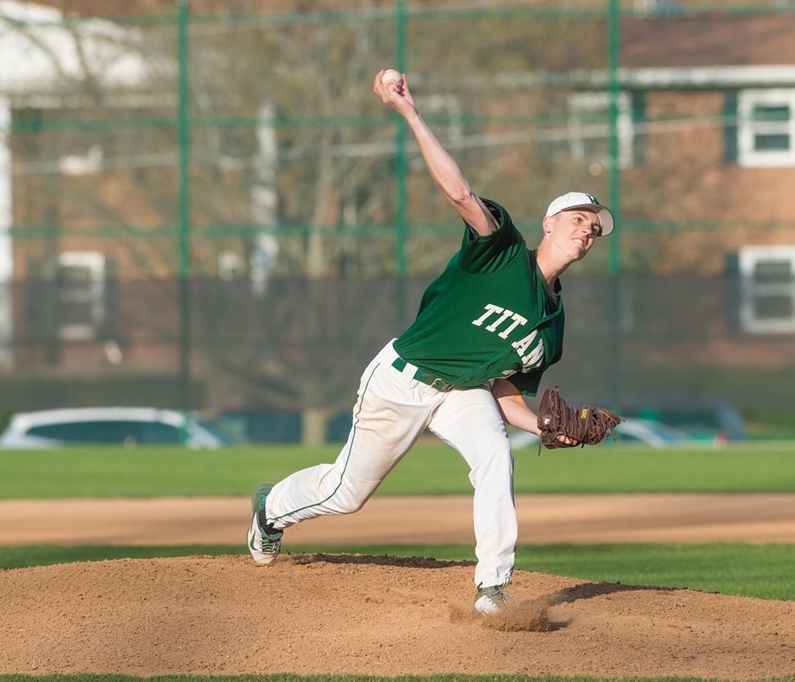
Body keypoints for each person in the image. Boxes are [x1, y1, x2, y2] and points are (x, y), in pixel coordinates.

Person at [246, 68, 616, 615]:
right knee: (344, 496)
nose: (587, 230)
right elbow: (458, 191)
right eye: (579, 219)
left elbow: (505, 393)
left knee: (495, 455)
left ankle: (492, 587)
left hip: (463, 393)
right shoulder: (501, 251)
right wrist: (409, 112)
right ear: (550, 221)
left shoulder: (552, 325)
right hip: (402, 378)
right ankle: (271, 509)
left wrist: (540, 422)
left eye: (595, 227)